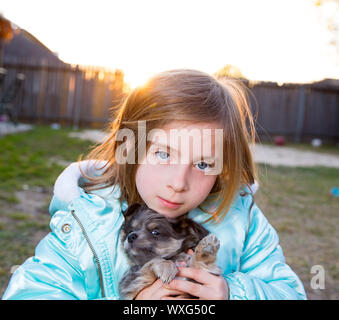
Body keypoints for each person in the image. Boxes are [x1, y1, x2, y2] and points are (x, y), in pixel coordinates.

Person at [2, 69, 306, 300]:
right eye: (163, 154)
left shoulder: (244, 221)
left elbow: (288, 291)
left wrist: (231, 292)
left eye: (202, 164)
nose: (178, 183)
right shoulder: (86, 222)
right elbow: (32, 291)